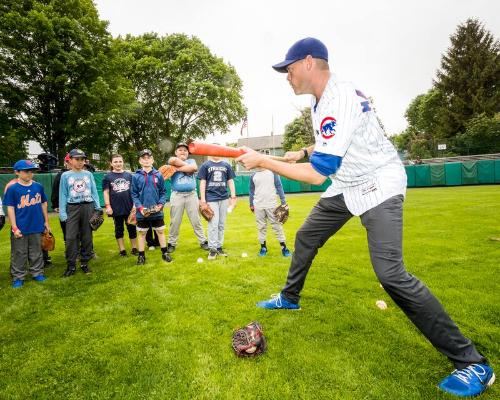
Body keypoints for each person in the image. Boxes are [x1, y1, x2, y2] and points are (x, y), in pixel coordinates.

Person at [236, 37, 495, 398]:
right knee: (308, 235)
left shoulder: (337, 97)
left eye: (289, 68)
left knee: (391, 274)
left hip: (379, 183)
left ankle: (473, 364)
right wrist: (301, 151)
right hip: (347, 184)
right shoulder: (324, 98)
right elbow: (340, 139)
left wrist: (264, 161)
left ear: (309, 62)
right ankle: (290, 297)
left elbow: (317, 175)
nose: (287, 75)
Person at [3, 160, 50, 288]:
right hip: (20, 227)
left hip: (36, 225)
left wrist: (46, 221)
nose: (29, 174)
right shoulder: (13, 189)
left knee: (36, 252)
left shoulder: (38, 186)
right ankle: (18, 277)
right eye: (26, 171)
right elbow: (10, 209)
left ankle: (37, 272)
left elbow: (43, 204)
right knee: (19, 253)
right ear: (17, 172)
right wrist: (14, 227)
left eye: (31, 171)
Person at [59, 149, 101, 277]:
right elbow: (63, 194)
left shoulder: (88, 174)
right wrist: (62, 212)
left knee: (87, 237)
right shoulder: (65, 175)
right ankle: (71, 265)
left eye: (82, 159)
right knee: (71, 237)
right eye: (77, 159)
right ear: (70, 160)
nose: (80, 162)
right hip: (72, 208)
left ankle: (84, 263)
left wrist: (98, 207)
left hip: (88, 207)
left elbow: (94, 191)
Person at [131, 149, 171, 265]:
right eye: (144, 158)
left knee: (160, 231)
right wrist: (140, 208)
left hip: (157, 210)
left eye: (149, 158)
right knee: (142, 233)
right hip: (142, 211)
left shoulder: (158, 174)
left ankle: (165, 253)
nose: (146, 160)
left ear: (152, 160)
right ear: (140, 161)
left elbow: (163, 192)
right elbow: (133, 194)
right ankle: (141, 256)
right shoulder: (136, 176)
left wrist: (160, 204)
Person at [166, 143, 209, 253]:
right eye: (180, 150)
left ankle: (203, 241)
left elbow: (193, 168)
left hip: (191, 195)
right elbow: (172, 161)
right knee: (175, 221)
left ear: (188, 153)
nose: (183, 152)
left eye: (185, 150)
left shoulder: (192, 161)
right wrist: (184, 168)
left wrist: (177, 168)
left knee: (196, 220)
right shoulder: (171, 160)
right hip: (177, 195)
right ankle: (172, 243)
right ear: (176, 152)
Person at [197, 154, 236, 260]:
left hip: (224, 198)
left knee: (221, 224)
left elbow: (230, 181)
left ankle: (219, 247)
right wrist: (203, 200)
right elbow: (203, 183)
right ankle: (212, 249)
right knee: (213, 224)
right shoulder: (206, 165)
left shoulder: (226, 165)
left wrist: (233, 196)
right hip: (211, 198)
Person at [249, 168, 291, 257]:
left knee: (277, 226)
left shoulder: (273, 172)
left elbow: (279, 186)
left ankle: (284, 248)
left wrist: (283, 201)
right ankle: (263, 248)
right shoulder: (253, 175)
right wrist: (251, 203)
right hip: (258, 205)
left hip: (271, 204)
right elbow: (251, 190)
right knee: (261, 227)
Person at [102, 154, 138, 257]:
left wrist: (135, 205)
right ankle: (122, 250)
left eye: (120, 161)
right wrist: (108, 206)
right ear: (111, 163)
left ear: (123, 162)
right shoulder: (107, 177)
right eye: (115, 162)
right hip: (116, 208)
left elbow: (134, 191)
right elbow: (106, 192)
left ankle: (134, 248)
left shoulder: (129, 176)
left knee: (132, 227)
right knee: (119, 229)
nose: (118, 163)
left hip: (129, 207)